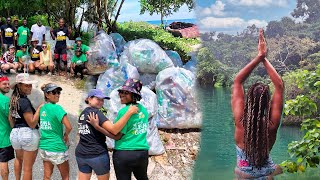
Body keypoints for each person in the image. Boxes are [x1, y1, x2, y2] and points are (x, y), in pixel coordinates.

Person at [232, 29, 284, 179]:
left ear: (248, 101)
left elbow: (237, 81)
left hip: (244, 174)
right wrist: (264, 59)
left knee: (240, 173)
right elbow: (279, 86)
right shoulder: (271, 125)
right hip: (267, 172)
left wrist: (259, 56)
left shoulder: (241, 122)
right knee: (277, 169)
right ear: (268, 103)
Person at [88, 79, 150, 180]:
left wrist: (97, 127)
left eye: (126, 93)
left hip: (125, 153)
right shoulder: (143, 110)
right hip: (142, 153)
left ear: (134, 95)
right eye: (121, 92)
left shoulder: (124, 112)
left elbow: (115, 133)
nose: (121, 94)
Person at [76, 89, 139, 180]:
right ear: (89, 99)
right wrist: (129, 112)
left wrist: (97, 127)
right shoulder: (96, 113)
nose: (101, 102)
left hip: (81, 155)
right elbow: (114, 130)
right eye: (98, 99)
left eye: (102, 100)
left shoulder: (83, 113)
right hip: (97, 154)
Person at [35, 83, 72, 180]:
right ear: (47, 95)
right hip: (56, 147)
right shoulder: (57, 108)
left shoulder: (42, 107)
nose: (57, 94)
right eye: (54, 92)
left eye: (59, 92)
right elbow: (69, 127)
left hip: (44, 147)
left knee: (47, 176)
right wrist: (66, 135)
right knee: (65, 177)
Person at [9, 73, 40, 180]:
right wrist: (39, 109)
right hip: (27, 133)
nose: (29, 87)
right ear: (19, 86)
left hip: (15, 133)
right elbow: (32, 123)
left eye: (30, 85)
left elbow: (10, 119)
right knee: (28, 168)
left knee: (18, 159)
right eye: (26, 85)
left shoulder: (13, 100)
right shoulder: (24, 101)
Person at [0, 74, 15, 180]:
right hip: (3, 137)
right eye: (4, 84)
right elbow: (10, 118)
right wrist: (14, 129)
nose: (7, 86)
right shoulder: (5, 100)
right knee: (3, 161)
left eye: (8, 84)